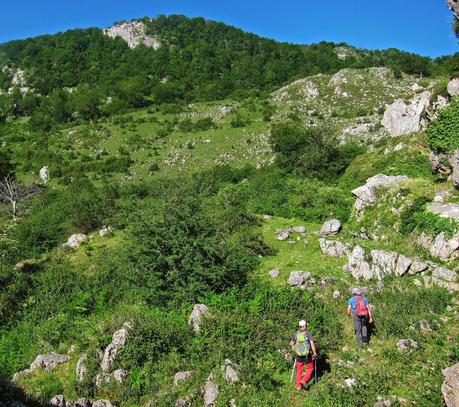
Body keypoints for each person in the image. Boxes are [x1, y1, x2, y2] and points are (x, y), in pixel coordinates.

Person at [290, 320, 318, 390]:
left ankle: (298, 386)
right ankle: (304, 380)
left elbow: (291, 344)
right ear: (305, 326)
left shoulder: (295, 334)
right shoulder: (308, 334)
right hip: (307, 355)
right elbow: (312, 344)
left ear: (299, 327)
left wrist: (295, 349)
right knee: (310, 368)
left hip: (299, 355)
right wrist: (314, 353)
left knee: (299, 370)